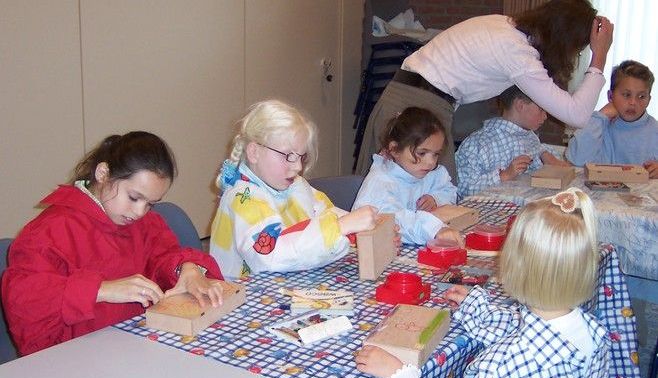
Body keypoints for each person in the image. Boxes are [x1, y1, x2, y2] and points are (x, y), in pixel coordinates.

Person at [356, 187, 608, 378]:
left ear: (512, 267)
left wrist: (399, 376)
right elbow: (523, 327)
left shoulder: (502, 367)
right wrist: (477, 309)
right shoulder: (595, 334)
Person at [2, 131, 224, 356]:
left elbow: (164, 254)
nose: (139, 212)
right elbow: (26, 301)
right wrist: (101, 290)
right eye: (134, 197)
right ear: (103, 173)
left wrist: (186, 268)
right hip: (76, 359)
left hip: (134, 347)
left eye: (150, 204)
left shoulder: (143, 222)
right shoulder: (48, 232)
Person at [355, 0, 614, 182]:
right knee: (429, 196)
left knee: (426, 196)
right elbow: (577, 115)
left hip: (414, 95)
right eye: (578, 50)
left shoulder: (504, 28)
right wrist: (599, 56)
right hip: (419, 102)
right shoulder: (517, 52)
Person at [210, 99, 378, 279]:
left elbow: (324, 213)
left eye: (301, 157)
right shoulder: (243, 198)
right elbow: (273, 254)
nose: (298, 166)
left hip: (285, 285)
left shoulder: (293, 184)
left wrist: (361, 229)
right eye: (289, 155)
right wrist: (342, 226)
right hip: (243, 298)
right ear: (254, 153)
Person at [352, 107, 461, 246]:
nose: (430, 162)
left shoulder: (431, 172)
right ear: (395, 149)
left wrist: (436, 199)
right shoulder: (380, 181)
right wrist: (434, 229)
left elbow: (449, 191)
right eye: (422, 153)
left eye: (436, 154)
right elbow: (396, 219)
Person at [456, 86, 570, 197]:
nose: (545, 116)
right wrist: (504, 175)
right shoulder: (478, 144)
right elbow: (463, 188)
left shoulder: (529, 136)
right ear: (521, 105)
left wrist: (545, 155)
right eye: (541, 109)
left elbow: (539, 161)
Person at [566, 60, 658, 178]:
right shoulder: (597, 125)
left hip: (642, 195)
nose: (633, 102)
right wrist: (601, 115)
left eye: (641, 96)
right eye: (626, 94)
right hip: (601, 194)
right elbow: (576, 160)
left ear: (649, 100)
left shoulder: (655, 130)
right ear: (610, 96)